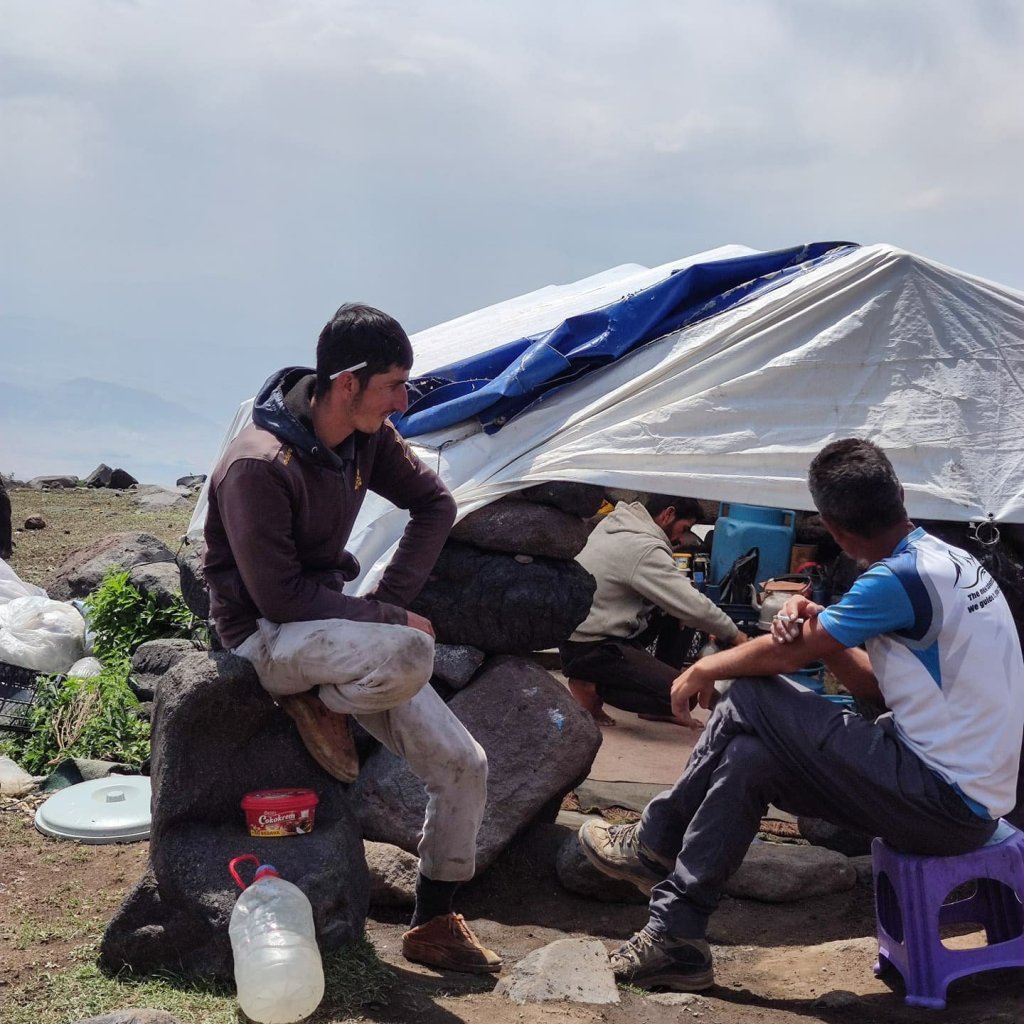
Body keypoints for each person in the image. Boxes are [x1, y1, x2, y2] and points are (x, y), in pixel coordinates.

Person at [578, 438, 1024, 992]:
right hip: (955, 793)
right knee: (749, 757)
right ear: (900, 496)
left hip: (944, 803)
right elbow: (877, 690)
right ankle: (677, 938)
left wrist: (701, 672)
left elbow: (784, 655)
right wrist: (828, 632)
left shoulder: (899, 579)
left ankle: (654, 840)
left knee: (749, 693)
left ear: (833, 530)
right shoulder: (946, 560)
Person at [203, 303, 500, 974]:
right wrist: (390, 621)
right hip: (264, 636)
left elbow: (436, 504)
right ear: (347, 383)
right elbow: (277, 597)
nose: (401, 403)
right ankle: (312, 700)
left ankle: (434, 921)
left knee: (465, 765)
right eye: (393, 384)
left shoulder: (363, 437)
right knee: (412, 649)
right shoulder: (260, 463)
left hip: (330, 633)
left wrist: (388, 601)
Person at [559, 494, 748, 726]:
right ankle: (591, 686)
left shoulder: (616, 525)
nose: (681, 537)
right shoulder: (642, 547)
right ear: (668, 514)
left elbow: (682, 600)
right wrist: (736, 635)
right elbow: (693, 605)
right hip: (592, 647)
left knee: (678, 611)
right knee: (685, 695)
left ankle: (658, 697)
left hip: (584, 634)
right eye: (684, 528)